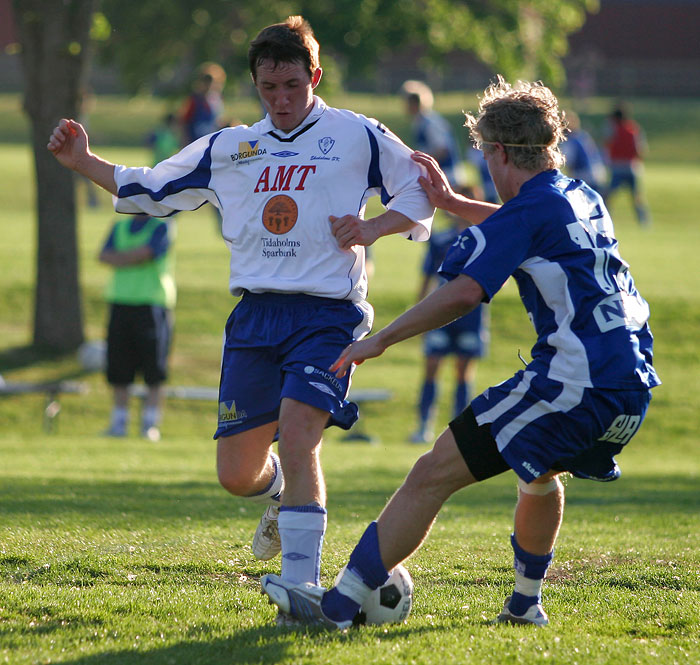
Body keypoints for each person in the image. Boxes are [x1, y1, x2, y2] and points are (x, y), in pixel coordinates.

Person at [48, 16, 434, 601]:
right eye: (268, 88)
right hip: (255, 317)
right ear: (254, 85)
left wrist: (373, 227)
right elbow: (151, 187)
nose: (281, 100)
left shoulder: (358, 135)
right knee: (235, 476)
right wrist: (84, 161)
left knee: (302, 434)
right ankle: (279, 494)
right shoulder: (231, 147)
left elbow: (422, 188)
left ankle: (301, 583)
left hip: (328, 315)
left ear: (315, 76)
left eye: (292, 86)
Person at [261, 76, 660, 628]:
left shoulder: (531, 211)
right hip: (630, 386)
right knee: (539, 474)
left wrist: (380, 339)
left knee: (433, 471)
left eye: (486, 154)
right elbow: (522, 227)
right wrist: (451, 202)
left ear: (498, 151)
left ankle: (335, 605)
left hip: (577, 381)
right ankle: (524, 606)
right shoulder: (580, 197)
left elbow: (465, 292)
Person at [410, 190, 489, 444]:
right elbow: (427, 275)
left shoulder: (484, 238)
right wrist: (418, 311)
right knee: (432, 365)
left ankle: (459, 429)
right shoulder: (441, 239)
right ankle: (424, 426)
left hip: (471, 314)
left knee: (463, 371)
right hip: (439, 313)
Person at [98, 213, 176, 442]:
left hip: (152, 304)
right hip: (121, 302)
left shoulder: (162, 226)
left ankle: (150, 425)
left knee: (154, 369)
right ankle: (119, 423)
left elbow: (150, 253)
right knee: (119, 368)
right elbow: (104, 255)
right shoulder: (120, 226)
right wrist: (133, 257)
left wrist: (121, 258)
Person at [401, 80, 462, 187]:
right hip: (437, 175)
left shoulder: (430, 122)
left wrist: (422, 163)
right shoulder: (418, 123)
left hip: (447, 175)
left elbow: (442, 149)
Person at [603, 104, 650, 226]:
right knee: (637, 197)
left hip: (617, 167)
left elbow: (606, 144)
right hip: (632, 166)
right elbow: (640, 150)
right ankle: (644, 222)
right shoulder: (633, 129)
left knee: (608, 197)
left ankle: (603, 219)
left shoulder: (613, 129)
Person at [179, 62, 227, 146]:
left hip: (210, 143)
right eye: (206, 81)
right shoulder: (194, 100)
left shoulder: (216, 100)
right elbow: (183, 122)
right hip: (194, 142)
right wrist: (185, 142)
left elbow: (217, 120)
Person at [560, 110, 605, 193]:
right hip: (596, 172)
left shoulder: (570, 141)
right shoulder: (583, 136)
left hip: (582, 175)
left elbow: (569, 160)